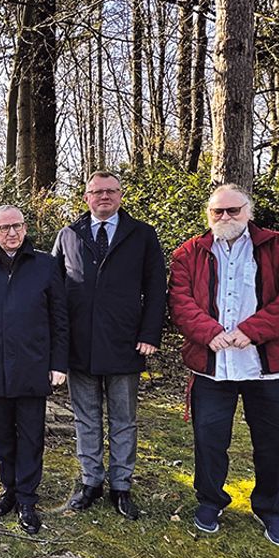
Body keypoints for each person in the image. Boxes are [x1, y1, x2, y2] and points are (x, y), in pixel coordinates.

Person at [169, 184, 279, 547]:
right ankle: (210, 501)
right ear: (208, 215)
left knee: (274, 443)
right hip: (212, 365)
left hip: (267, 367)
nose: (226, 217)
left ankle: (271, 509)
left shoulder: (277, 247)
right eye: (218, 212)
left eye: (233, 210)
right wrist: (208, 331)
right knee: (209, 439)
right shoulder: (190, 252)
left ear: (248, 211)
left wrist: (252, 330)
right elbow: (180, 300)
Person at [51, 171, 167, 520]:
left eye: (110, 191)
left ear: (120, 195)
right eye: (96, 191)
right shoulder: (68, 235)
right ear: (85, 197)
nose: (104, 196)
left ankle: (121, 486)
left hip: (125, 343)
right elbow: (54, 291)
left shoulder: (142, 235)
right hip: (79, 346)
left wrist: (149, 334)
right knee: (86, 418)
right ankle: (90, 482)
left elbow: (157, 288)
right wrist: (57, 342)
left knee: (123, 419)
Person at [0, 205, 69, 534]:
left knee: (31, 436)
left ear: (25, 229)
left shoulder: (46, 265)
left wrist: (58, 363)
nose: (11, 233)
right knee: (3, 436)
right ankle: (8, 488)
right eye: (4, 228)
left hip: (33, 366)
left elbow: (59, 319)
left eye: (17, 226)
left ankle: (26, 498)